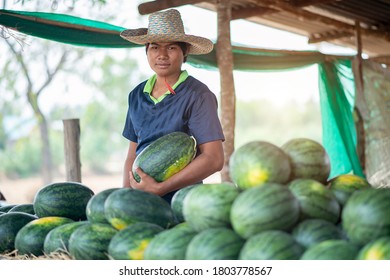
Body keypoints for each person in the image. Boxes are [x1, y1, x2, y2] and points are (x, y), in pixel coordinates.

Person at [120, 9, 225, 203]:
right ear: (147, 51)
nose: (162, 55)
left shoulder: (198, 95)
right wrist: (126, 199)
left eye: (171, 48)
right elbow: (131, 155)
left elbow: (214, 158)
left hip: (183, 202)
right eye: (155, 47)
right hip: (141, 201)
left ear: (184, 51)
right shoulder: (136, 95)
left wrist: (160, 188)